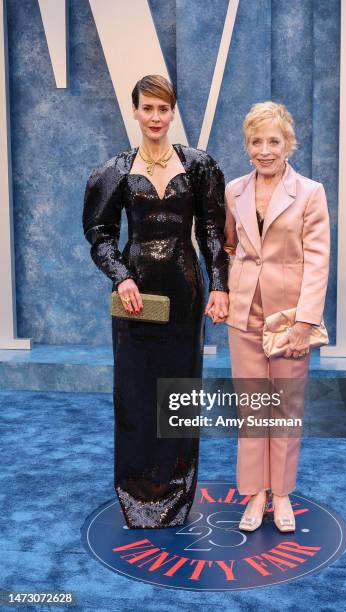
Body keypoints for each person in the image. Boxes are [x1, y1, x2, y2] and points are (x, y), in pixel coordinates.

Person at [82, 74, 229, 528]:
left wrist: (220, 284)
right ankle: (137, 491)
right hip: (135, 297)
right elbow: (100, 236)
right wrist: (121, 277)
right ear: (135, 111)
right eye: (147, 108)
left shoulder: (200, 165)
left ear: (173, 112)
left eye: (163, 109)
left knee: (180, 392)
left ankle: (176, 488)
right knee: (135, 392)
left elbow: (210, 232)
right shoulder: (116, 171)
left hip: (185, 292)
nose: (155, 117)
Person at [222, 101, 330, 532]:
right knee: (252, 409)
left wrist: (306, 321)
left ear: (289, 144)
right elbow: (231, 246)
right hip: (244, 313)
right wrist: (232, 287)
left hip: (289, 318)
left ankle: (282, 494)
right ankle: (256, 495)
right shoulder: (233, 190)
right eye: (256, 141)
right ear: (247, 145)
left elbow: (318, 260)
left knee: (284, 407)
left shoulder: (310, 192)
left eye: (273, 141)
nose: (264, 150)